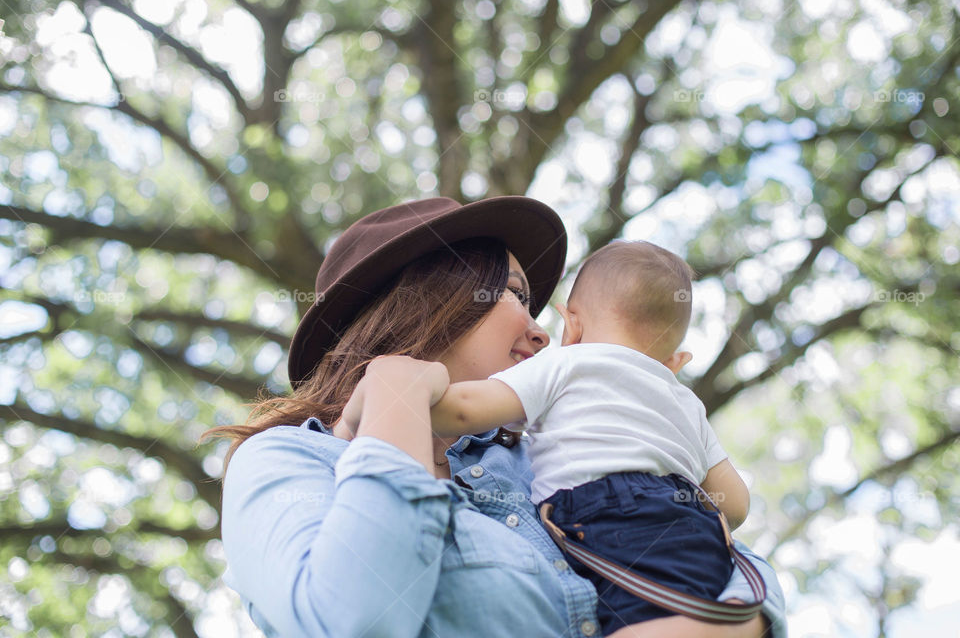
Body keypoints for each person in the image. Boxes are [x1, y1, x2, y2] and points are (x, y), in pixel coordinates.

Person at [201, 197, 786, 637]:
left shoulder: (551, 457)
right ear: (422, 300)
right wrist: (396, 401)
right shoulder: (288, 463)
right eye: (510, 293)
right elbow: (356, 618)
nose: (540, 330)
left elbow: (740, 568)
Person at [409, 239, 751, 635]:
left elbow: (467, 408)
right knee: (673, 615)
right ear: (675, 362)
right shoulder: (687, 402)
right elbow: (736, 504)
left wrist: (406, 394)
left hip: (602, 514)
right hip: (691, 527)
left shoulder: (565, 363)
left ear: (573, 325)